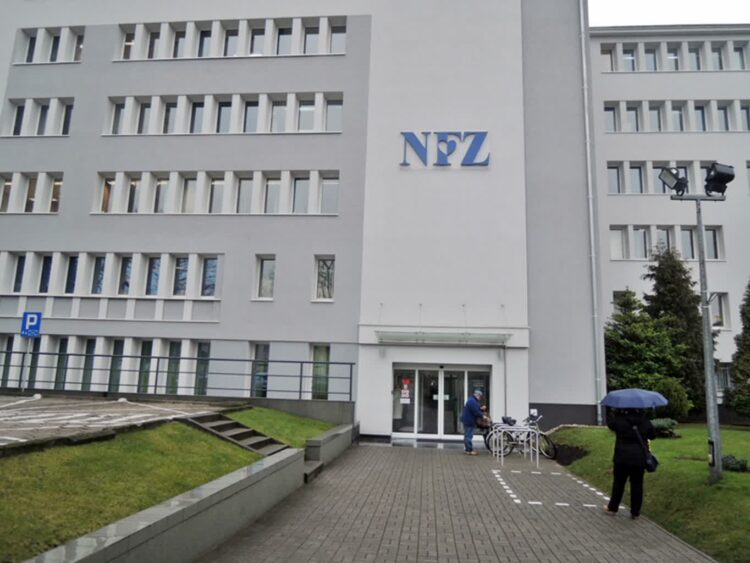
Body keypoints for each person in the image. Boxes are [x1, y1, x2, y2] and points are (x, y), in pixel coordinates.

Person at [605, 408, 656, 519]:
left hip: (621, 457)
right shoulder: (644, 421)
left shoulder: (620, 419)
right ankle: (635, 512)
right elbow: (653, 435)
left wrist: (615, 413)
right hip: (639, 458)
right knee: (637, 485)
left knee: (618, 483)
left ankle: (612, 508)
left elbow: (611, 425)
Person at [460, 389, 485, 455]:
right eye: (480, 396)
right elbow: (475, 412)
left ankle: (467, 450)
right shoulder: (472, 401)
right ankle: (470, 450)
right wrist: (483, 416)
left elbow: (475, 409)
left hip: (468, 420)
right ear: (477, 395)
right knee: (469, 436)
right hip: (469, 421)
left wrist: (481, 408)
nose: (480, 398)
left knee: (467, 436)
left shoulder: (472, 400)